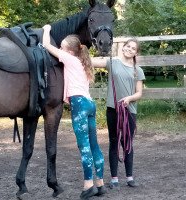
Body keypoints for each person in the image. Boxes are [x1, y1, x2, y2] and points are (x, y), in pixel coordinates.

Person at [42, 24, 106, 200]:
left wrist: (46, 29)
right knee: (94, 146)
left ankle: (88, 185)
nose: (60, 50)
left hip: (79, 104)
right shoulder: (82, 62)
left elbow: (47, 45)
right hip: (90, 104)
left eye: (62, 48)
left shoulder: (69, 59)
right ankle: (100, 183)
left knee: (83, 146)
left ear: (69, 51)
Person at [91, 38, 145, 189]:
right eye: (128, 46)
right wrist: (75, 54)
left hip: (129, 111)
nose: (129, 49)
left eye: (133, 48)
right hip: (113, 110)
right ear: (123, 48)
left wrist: (129, 98)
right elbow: (91, 62)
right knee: (114, 142)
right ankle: (114, 178)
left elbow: (139, 93)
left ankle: (129, 177)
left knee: (127, 143)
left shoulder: (137, 70)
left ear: (136, 52)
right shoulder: (112, 62)